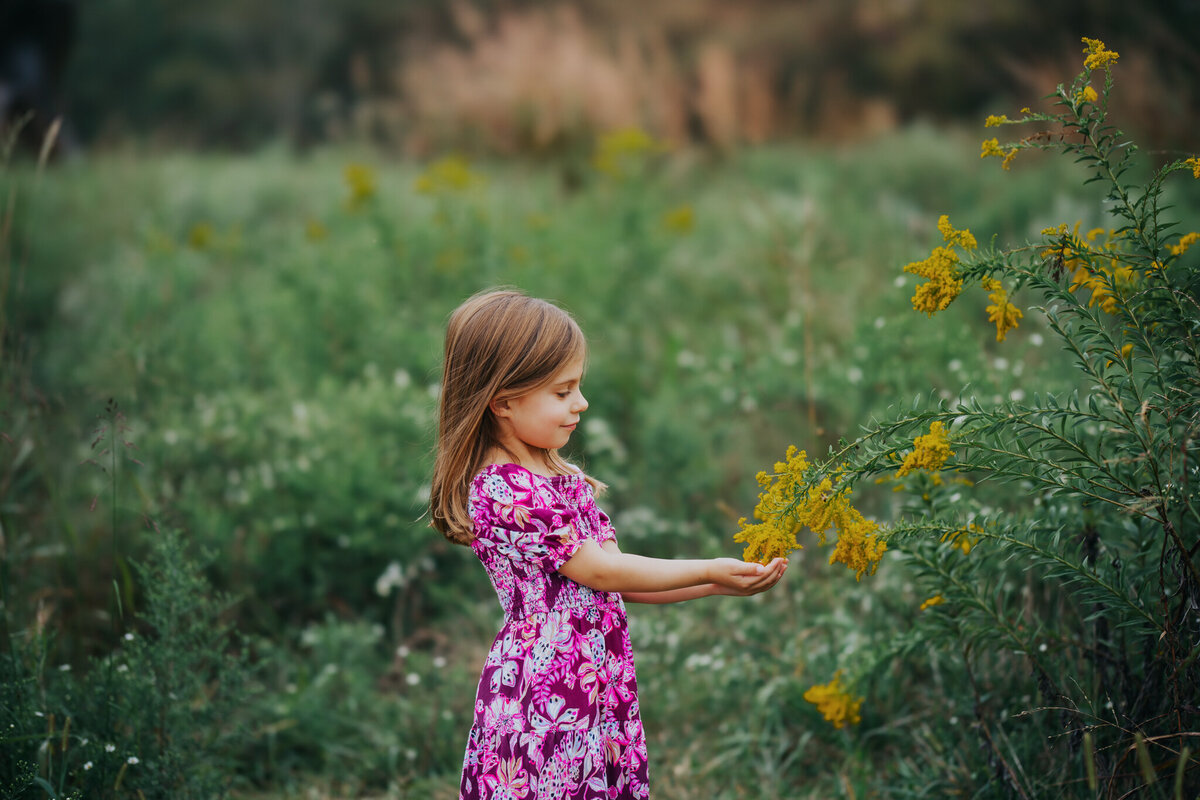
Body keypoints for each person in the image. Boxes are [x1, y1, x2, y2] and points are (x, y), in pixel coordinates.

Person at [429, 289, 788, 799]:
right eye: (562, 392)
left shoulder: (558, 476)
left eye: (578, 387)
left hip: (594, 688)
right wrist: (707, 568)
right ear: (504, 401)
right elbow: (601, 572)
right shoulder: (506, 489)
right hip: (546, 698)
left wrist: (718, 585)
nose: (581, 403)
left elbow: (619, 582)